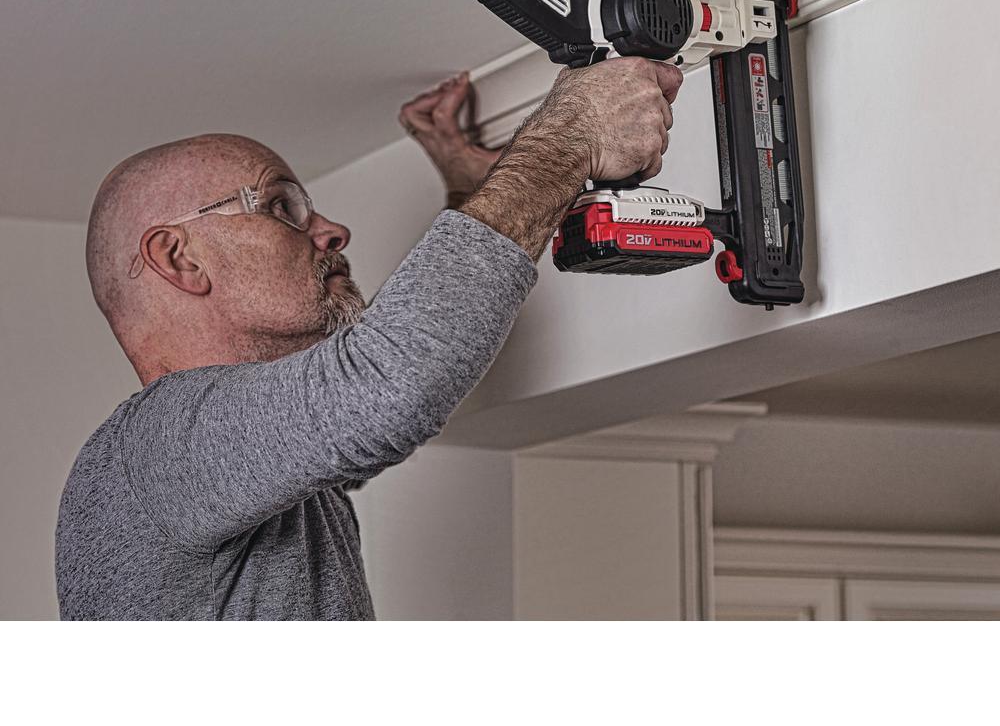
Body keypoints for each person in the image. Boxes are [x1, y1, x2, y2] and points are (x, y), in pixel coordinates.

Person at [55, 57, 683, 619]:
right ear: (180, 258)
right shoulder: (154, 449)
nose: (333, 230)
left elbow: (398, 367)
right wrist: (570, 135)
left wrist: (473, 190)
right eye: (280, 206)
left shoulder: (240, 475)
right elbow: (390, 380)